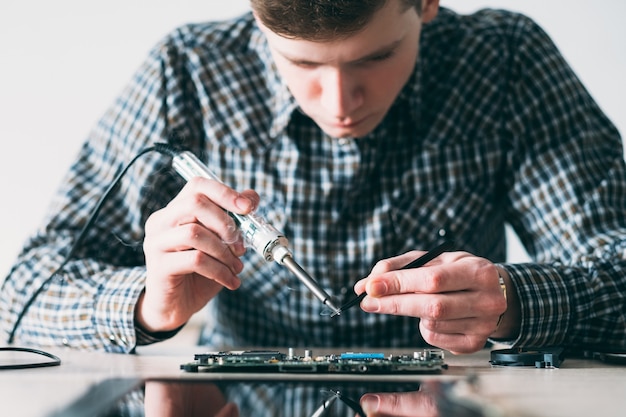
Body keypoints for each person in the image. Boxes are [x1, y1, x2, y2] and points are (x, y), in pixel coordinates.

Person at [1, 0, 625, 355]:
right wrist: (147, 304)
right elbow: (18, 296)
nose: (339, 102)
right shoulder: (189, 69)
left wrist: (511, 301)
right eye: (300, 63)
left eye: (376, 57)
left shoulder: (505, 61)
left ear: (427, 3)